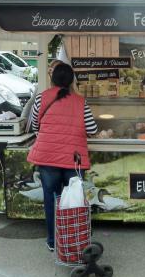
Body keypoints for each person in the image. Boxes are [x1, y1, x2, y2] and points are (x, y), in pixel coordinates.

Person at [27, 63, 98, 252]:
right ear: (71, 81)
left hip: (47, 157)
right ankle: (73, 241)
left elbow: (35, 124)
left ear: (53, 79)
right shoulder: (80, 101)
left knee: (51, 199)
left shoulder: (42, 97)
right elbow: (92, 129)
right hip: (73, 160)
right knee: (73, 200)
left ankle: (52, 241)